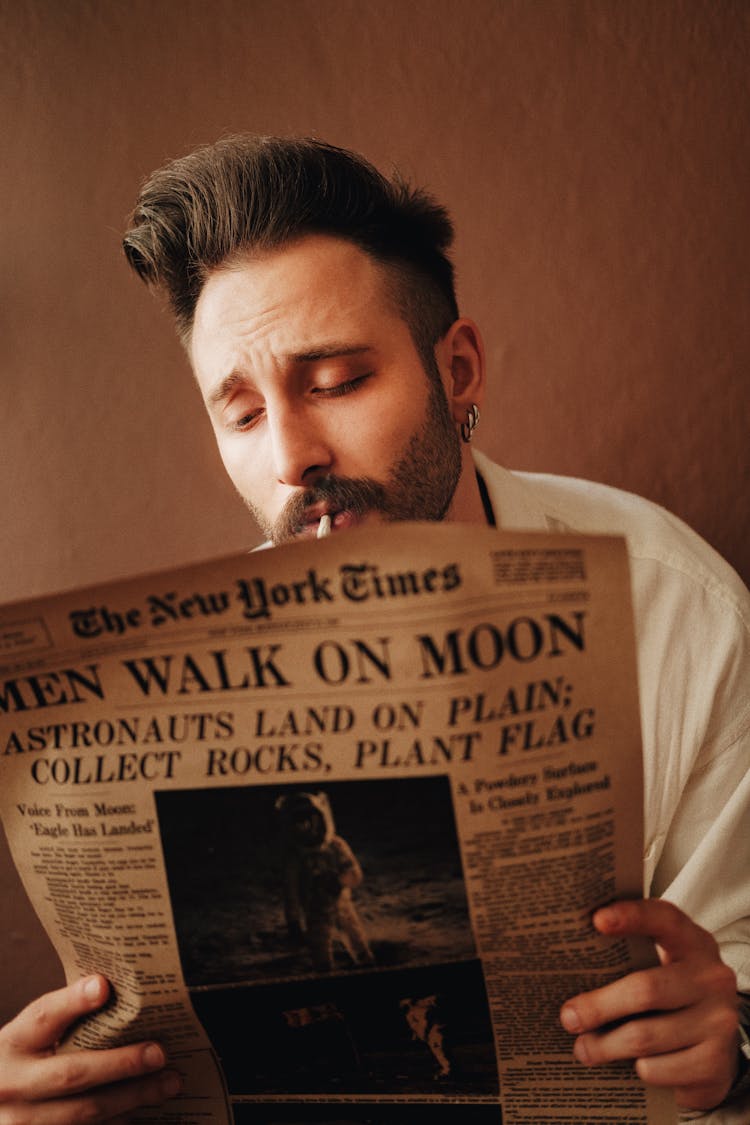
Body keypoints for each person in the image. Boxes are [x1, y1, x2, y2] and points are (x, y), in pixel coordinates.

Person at [1, 136, 747, 1122]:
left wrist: (732, 1040)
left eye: (338, 381)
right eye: (242, 412)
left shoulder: (678, 601)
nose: (292, 458)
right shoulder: (179, 668)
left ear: (460, 369)